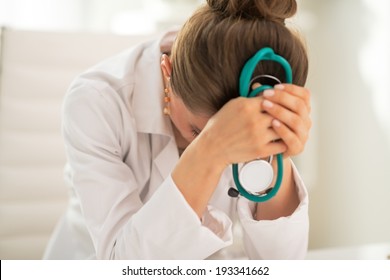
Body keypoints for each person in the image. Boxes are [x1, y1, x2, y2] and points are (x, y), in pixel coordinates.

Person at [44, 0, 311, 260]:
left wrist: (277, 144)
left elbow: (281, 263)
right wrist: (210, 148)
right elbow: (123, 265)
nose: (234, 152)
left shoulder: (253, 89)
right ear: (167, 74)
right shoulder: (97, 101)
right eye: (197, 131)